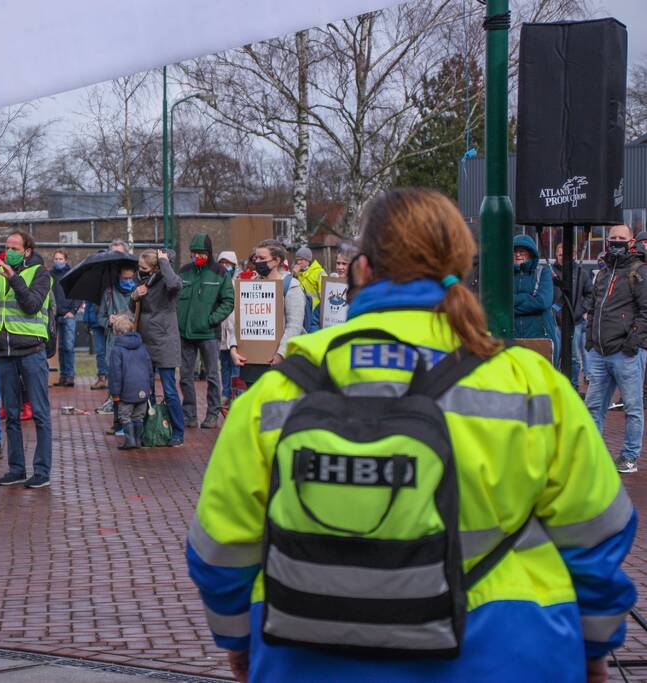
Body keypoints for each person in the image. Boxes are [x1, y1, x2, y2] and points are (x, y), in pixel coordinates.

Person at [187, 188, 636, 683]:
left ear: (361, 270)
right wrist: (595, 645)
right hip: (506, 656)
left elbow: (219, 546)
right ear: (462, 269)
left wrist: (239, 642)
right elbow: (598, 532)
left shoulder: (279, 390)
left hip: (304, 654)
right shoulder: (530, 385)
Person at [0, 230, 53, 489]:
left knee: (40, 414)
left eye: (14, 247)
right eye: (6, 246)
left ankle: (42, 471)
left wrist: (15, 279)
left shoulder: (41, 273)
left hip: (32, 350)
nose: (8, 250)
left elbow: (31, 305)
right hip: (4, 352)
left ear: (27, 251)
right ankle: (16, 469)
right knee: (11, 415)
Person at [584, 223, 647, 474]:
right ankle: (593, 453)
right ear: (607, 241)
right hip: (599, 352)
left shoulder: (638, 271)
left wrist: (631, 343)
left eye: (623, 237)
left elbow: (645, 312)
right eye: (614, 237)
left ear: (631, 242)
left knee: (632, 408)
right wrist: (590, 341)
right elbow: (593, 309)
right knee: (592, 407)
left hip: (625, 353)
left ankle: (629, 457)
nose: (618, 240)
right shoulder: (602, 272)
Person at [230, 241, 308, 388]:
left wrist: (281, 354)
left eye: (262, 258)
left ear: (277, 260)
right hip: (251, 362)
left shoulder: (291, 287)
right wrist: (234, 348)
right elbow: (241, 320)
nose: (257, 262)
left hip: (279, 363)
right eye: (255, 259)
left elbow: (294, 326)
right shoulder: (251, 284)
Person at [177, 233, 234, 430]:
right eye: (194, 253)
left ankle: (212, 415)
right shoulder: (184, 271)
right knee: (185, 376)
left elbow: (228, 301)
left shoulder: (220, 273)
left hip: (209, 333)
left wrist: (212, 320)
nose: (197, 256)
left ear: (208, 253)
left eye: (200, 253)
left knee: (212, 375)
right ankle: (189, 415)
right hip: (185, 333)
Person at [130, 249, 185, 447]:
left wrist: (164, 262)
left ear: (155, 268)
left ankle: (178, 431)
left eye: (144, 268)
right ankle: (151, 428)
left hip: (165, 340)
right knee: (147, 389)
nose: (140, 271)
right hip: (145, 340)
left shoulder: (166, 281)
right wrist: (135, 295)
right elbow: (133, 308)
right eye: (139, 267)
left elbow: (175, 284)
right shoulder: (142, 282)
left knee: (169, 389)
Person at [99, 264, 138, 435]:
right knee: (115, 386)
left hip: (132, 346)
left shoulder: (138, 293)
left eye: (131, 278)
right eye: (125, 278)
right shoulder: (108, 294)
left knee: (129, 385)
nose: (128, 282)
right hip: (113, 345)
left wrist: (131, 320)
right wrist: (109, 320)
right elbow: (99, 318)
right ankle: (117, 421)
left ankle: (130, 423)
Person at [552, 242, 593, 390]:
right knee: (555, 355)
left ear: (574, 255)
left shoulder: (581, 272)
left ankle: (573, 386)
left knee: (574, 357)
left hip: (574, 322)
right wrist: (553, 311)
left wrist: (581, 310)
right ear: (556, 255)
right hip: (556, 322)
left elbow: (590, 293)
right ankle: (556, 386)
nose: (563, 258)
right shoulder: (550, 272)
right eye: (561, 254)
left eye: (566, 255)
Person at [108, 315, 153, 450]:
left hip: (126, 390)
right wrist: (150, 387)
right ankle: (138, 440)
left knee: (125, 416)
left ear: (117, 332)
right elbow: (149, 368)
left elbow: (115, 374)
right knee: (138, 416)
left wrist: (115, 394)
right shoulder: (142, 346)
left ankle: (129, 440)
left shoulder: (117, 350)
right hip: (142, 389)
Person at [513, 234, 558, 361]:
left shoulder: (542, 272)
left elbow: (542, 302)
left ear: (530, 253)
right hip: (513, 337)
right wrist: (528, 298)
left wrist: (514, 301)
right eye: (515, 251)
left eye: (522, 251)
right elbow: (500, 303)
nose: (518, 255)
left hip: (540, 337)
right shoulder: (504, 275)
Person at [215, 250, 240, 413]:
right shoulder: (215, 283)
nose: (225, 266)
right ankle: (225, 393)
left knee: (236, 364)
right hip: (220, 329)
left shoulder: (239, 283)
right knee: (224, 364)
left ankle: (236, 393)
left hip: (235, 328)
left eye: (228, 264)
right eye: (222, 263)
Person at [51, 250, 79, 387]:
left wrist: (73, 311)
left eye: (60, 259)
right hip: (54, 316)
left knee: (68, 346)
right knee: (60, 348)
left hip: (68, 315)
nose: (58, 261)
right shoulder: (50, 275)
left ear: (66, 260)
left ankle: (70, 375)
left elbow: (78, 294)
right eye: (56, 258)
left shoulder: (72, 274)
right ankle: (62, 376)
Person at [86, 301, 108, 390]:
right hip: (96, 321)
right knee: (100, 352)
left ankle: (109, 378)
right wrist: (86, 320)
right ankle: (102, 377)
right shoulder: (94, 288)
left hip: (111, 320)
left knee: (111, 351)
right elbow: (88, 303)